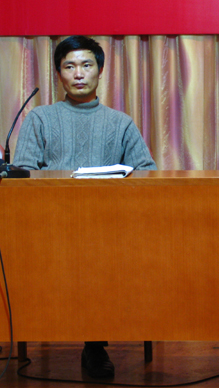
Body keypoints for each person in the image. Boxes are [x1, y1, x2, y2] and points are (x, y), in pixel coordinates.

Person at [14, 35, 157, 379]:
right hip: (50, 224)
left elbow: (147, 173)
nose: (79, 74)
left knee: (99, 251)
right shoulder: (39, 118)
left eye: (86, 65)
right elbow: (23, 174)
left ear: (100, 71)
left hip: (108, 225)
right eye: (69, 66)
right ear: (58, 74)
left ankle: (95, 344)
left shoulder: (120, 122)